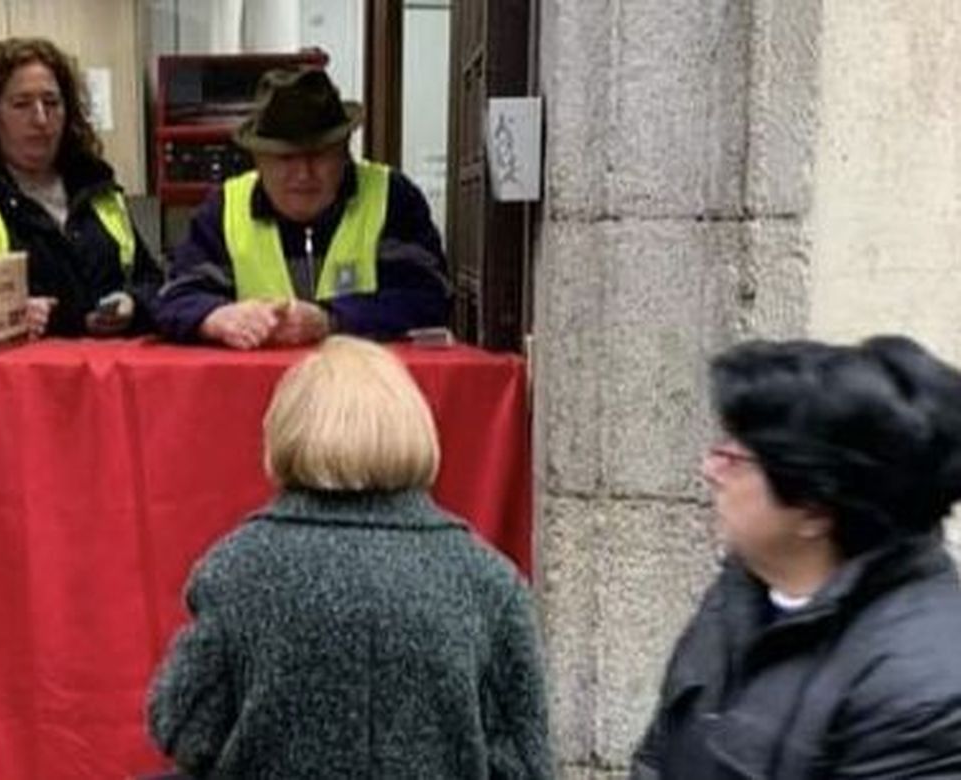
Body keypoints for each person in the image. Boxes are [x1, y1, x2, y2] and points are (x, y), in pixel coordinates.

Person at [147, 336, 551, 778]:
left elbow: (182, 727)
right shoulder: (490, 582)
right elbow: (526, 764)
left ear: (287, 430)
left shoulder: (234, 571)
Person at [632, 336, 961, 779]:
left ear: (812, 508)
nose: (709, 471)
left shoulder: (924, 682)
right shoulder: (742, 590)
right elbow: (659, 759)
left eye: (735, 459)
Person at [154, 68, 451, 350]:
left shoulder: (392, 198)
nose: (303, 173)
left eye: (318, 155)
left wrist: (331, 320)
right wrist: (212, 318)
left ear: (344, 150)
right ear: (258, 159)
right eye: (285, 158)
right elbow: (173, 298)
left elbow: (429, 297)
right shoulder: (222, 210)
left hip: (366, 395)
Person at [0, 37, 162, 338]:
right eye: (21, 104)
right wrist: (3, 313)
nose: (40, 118)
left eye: (51, 103)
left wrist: (133, 304)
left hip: (104, 374)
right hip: (6, 377)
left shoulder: (99, 188)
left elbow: (152, 282)